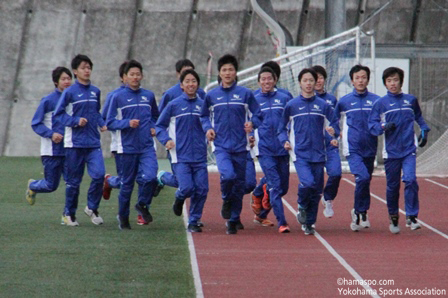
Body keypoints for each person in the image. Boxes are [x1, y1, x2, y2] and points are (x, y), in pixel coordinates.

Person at [201, 54, 262, 235]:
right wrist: (208, 128)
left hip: (241, 146)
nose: (228, 73)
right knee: (228, 177)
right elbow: (204, 116)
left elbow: (258, 114)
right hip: (221, 146)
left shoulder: (245, 94)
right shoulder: (211, 95)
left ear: (236, 72)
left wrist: (253, 124)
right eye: (224, 70)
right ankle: (226, 200)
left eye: (231, 69)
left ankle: (233, 220)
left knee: (239, 184)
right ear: (219, 73)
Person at [369, 67, 430, 234]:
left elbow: (419, 117)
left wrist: (424, 130)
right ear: (385, 84)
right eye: (389, 81)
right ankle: (393, 215)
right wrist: (383, 126)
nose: (392, 83)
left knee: (410, 180)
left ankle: (411, 216)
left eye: (395, 80)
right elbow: (372, 126)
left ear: (400, 81)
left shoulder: (410, 100)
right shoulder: (380, 104)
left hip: (409, 149)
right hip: (391, 152)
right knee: (393, 186)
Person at [278, 68, 337, 235]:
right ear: (300, 83)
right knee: (308, 183)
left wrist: (334, 134)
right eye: (305, 80)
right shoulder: (292, 105)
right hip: (300, 153)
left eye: (311, 80)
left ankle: (309, 223)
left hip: (319, 153)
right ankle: (301, 205)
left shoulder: (323, 105)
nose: (309, 83)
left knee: (317, 190)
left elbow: (334, 123)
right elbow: (281, 128)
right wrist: (285, 141)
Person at [54, 54, 107, 226]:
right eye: (83, 68)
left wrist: (101, 123)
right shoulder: (69, 92)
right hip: (74, 144)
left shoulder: (95, 91)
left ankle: (92, 207)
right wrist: (75, 121)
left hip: (93, 143)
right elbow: (59, 114)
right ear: (76, 71)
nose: (87, 70)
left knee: (99, 175)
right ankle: (69, 214)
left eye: (89, 67)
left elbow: (96, 112)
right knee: (74, 182)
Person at [106, 60, 159, 230]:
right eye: (132, 74)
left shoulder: (148, 96)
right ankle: (123, 217)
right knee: (126, 185)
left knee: (151, 177)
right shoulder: (117, 97)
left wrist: (152, 127)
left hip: (146, 146)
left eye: (138, 74)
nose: (135, 77)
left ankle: (142, 204)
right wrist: (127, 123)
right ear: (125, 77)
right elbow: (109, 122)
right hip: (126, 148)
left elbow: (155, 117)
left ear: (142, 76)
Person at [156, 69, 208, 232]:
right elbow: (159, 126)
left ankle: (194, 220)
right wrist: (167, 140)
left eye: (194, 81)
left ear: (198, 85)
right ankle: (176, 195)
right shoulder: (174, 105)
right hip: (180, 155)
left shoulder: (203, 105)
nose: (191, 84)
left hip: (200, 154)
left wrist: (211, 132)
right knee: (186, 188)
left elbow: (210, 123)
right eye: (187, 81)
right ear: (182, 85)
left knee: (202, 189)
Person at [333, 65, 380, 232]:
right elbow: (333, 120)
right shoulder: (345, 101)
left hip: (370, 146)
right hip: (353, 148)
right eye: (357, 78)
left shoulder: (376, 100)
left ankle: (363, 211)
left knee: (366, 181)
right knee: (362, 178)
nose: (361, 80)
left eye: (363, 77)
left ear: (368, 79)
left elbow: (383, 120)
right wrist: (335, 133)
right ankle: (357, 211)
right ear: (352, 81)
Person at [156, 59, 206, 196]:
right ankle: (163, 177)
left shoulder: (201, 95)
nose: (190, 82)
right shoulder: (170, 95)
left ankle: (194, 217)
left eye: (193, 77)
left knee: (198, 185)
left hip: (197, 148)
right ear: (179, 76)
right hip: (177, 146)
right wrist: (166, 139)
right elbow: (160, 119)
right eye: (185, 75)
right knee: (183, 182)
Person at [26, 67, 72, 206]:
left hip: (70, 149)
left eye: (69, 79)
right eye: (63, 79)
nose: (67, 82)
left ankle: (68, 214)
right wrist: (51, 134)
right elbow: (36, 124)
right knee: (51, 185)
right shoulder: (48, 100)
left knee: (72, 183)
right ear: (56, 82)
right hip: (51, 151)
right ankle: (33, 186)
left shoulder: (74, 99)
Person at [253, 66, 291, 233]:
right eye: (263, 79)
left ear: (275, 80)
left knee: (283, 188)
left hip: (283, 148)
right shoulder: (253, 99)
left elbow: (292, 119)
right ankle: (282, 222)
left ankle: (261, 213)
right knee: (275, 186)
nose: (266, 81)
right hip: (265, 149)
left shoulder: (284, 97)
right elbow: (248, 120)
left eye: (269, 78)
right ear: (259, 81)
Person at [311, 65, 342, 218]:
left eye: (321, 77)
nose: (318, 80)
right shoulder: (304, 101)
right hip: (312, 146)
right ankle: (307, 211)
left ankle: (327, 198)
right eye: (314, 77)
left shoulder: (331, 100)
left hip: (330, 145)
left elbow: (336, 122)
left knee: (336, 173)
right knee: (314, 184)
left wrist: (335, 134)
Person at [102, 61, 128, 201]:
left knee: (145, 177)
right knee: (125, 181)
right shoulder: (114, 96)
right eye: (129, 75)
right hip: (120, 145)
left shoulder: (144, 95)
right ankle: (109, 181)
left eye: (137, 74)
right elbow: (105, 118)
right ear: (122, 77)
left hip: (141, 145)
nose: (133, 78)